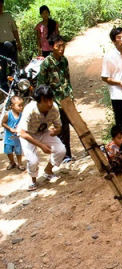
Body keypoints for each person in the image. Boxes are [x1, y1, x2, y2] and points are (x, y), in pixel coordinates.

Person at [17, 85, 65, 191]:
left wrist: (56, 131)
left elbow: (59, 127)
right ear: (38, 101)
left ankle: (48, 171)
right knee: (33, 160)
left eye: (50, 100)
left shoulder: (54, 108)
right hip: (28, 134)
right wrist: (41, 145)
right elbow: (22, 133)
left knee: (61, 150)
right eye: (45, 101)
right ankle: (32, 180)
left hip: (43, 131)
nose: (49, 104)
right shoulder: (30, 109)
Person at [37, 34, 73, 162]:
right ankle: (63, 155)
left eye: (63, 46)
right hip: (54, 102)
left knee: (67, 126)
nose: (61, 49)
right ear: (52, 47)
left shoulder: (64, 60)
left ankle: (67, 154)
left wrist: (71, 94)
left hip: (66, 99)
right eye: (58, 46)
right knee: (60, 127)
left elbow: (67, 79)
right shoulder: (46, 63)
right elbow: (41, 85)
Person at [0, 0, 22, 90]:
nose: (0, 8)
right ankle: (4, 87)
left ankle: (16, 85)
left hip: (12, 44)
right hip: (1, 46)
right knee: (2, 67)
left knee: (15, 65)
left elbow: (15, 30)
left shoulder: (8, 15)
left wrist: (18, 43)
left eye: (1, 6)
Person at [2, 95, 24, 170]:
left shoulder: (22, 115)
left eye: (22, 105)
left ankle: (20, 163)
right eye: (19, 105)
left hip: (17, 137)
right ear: (12, 106)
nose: (21, 107)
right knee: (9, 151)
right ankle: (12, 162)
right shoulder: (8, 114)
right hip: (8, 138)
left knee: (18, 151)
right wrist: (9, 128)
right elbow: (3, 123)